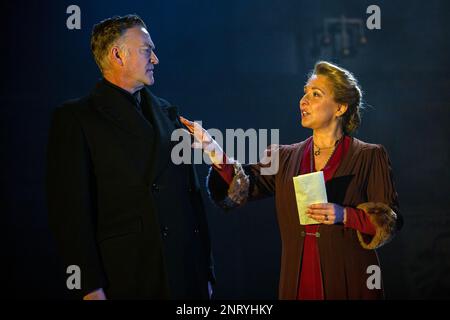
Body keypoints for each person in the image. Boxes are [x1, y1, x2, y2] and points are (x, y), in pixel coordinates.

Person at [181, 61, 402, 299]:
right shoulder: (284, 156)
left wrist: (345, 215)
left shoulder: (369, 155)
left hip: (349, 279)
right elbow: (242, 189)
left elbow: (388, 221)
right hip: (298, 279)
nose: (304, 100)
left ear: (340, 108)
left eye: (316, 94)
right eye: (305, 92)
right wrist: (215, 153)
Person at [47, 14, 214, 300]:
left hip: (186, 275)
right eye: (147, 50)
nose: (156, 59)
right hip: (128, 276)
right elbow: (70, 213)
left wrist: (206, 272)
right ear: (117, 55)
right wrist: (89, 287)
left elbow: (192, 197)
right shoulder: (77, 118)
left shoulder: (168, 113)